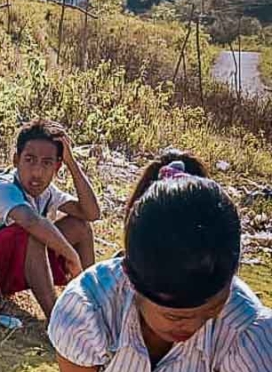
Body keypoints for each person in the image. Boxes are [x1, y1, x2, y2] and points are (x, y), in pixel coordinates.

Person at [48, 151, 272, 371]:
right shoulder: (88, 311)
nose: (194, 327)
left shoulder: (249, 334)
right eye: (174, 316)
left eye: (212, 310)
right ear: (130, 280)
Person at [0, 119, 100, 319]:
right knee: (34, 232)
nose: (37, 172)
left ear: (57, 167)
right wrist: (71, 256)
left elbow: (91, 213)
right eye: (29, 160)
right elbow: (31, 222)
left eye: (47, 163)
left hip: (3, 275)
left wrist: (72, 164)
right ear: (16, 160)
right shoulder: (3, 188)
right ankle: (58, 323)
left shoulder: (47, 193)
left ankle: (92, 307)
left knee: (79, 226)